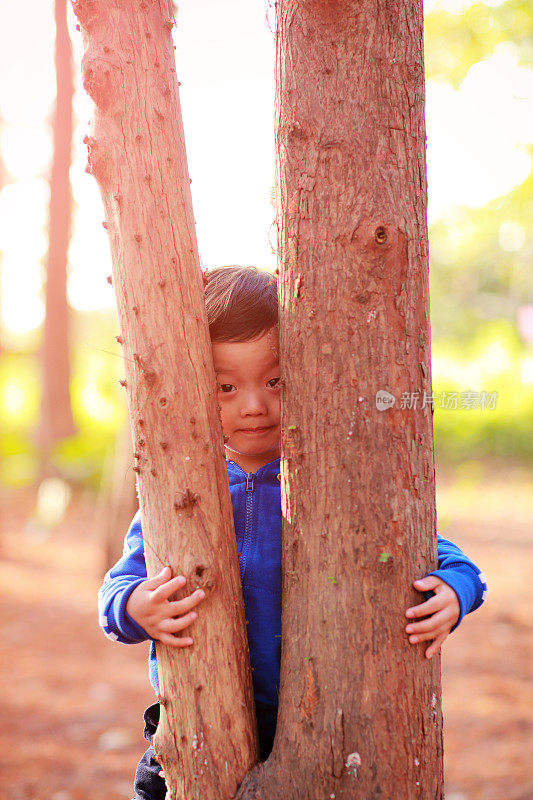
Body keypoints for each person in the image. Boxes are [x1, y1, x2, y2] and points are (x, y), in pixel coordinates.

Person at [98, 265, 488, 800]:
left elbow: (446, 559)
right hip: (198, 719)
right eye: (226, 386)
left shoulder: (332, 480)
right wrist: (136, 606)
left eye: (275, 380)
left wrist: (454, 592)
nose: (254, 404)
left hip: (320, 719)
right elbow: (115, 594)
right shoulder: (180, 491)